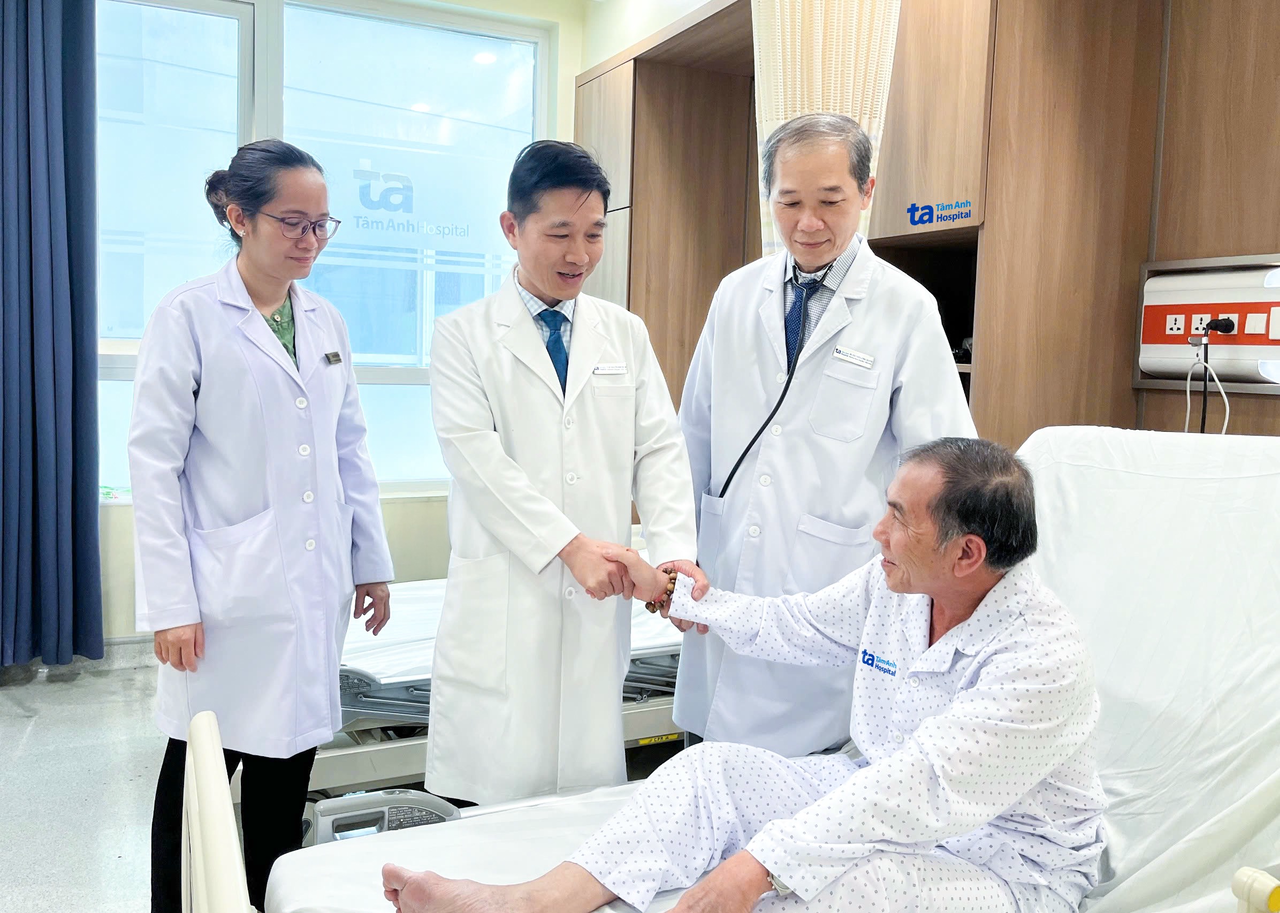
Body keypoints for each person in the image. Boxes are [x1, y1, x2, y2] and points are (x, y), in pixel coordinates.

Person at [382, 438, 1106, 913]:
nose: (877, 532)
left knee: (831, 882)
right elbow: (793, 624)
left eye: (897, 518)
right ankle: (529, 904)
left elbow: (917, 788)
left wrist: (758, 864)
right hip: (875, 793)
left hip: (1006, 865)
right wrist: (671, 593)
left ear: (966, 553)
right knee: (712, 772)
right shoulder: (896, 586)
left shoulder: (1041, 658)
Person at [129, 139, 395, 912]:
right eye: (293, 222)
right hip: (222, 595)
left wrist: (370, 561)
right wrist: (171, 603)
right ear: (238, 216)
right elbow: (154, 464)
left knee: (286, 776)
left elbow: (349, 448)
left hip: (311, 586)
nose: (310, 239)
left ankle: (272, 901)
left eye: (321, 224)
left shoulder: (325, 319)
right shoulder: (188, 315)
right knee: (198, 783)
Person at [677, 113, 978, 757]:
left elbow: (945, 464)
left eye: (830, 202)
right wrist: (678, 549)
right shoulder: (735, 295)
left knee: (807, 777)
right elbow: (692, 437)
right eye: (789, 203)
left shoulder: (905, 309)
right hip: (723, 573)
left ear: (866, 192)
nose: (808, 223)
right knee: (706, 767)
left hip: (830, 581)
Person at [424, 140, 701, 805]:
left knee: (583, 813)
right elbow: (478, 463)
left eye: (594, 234)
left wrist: (673, 556)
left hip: (595, 609)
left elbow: (659, 449)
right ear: (511, 228)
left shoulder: (624, 332)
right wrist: (570, 547)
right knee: (495, 813)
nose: (579, 254)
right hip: (507, 594)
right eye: (559, 234)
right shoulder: (462, 335)